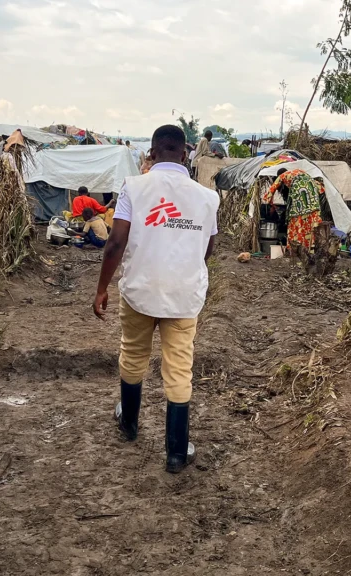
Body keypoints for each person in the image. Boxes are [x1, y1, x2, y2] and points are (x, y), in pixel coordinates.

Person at [94, 124, 220, 474]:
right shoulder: (208, 198)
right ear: (184, 155)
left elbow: (116, 243)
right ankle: (177, 453)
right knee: (179, 369)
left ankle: (130, 425)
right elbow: (208, 248)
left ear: (151, 153)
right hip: (184, 297)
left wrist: (102, 287)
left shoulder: (133, 187)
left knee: (133, 354)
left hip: (139, 292)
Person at [265, 168, 324, 251]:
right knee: (311, 224)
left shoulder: (283, 175)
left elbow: (273, 187)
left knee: (296, 222)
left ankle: (295, 248)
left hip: (300, 200)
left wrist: (269, 202)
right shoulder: (301, 172)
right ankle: (310, 247)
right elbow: (320, 188)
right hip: (313, 200)